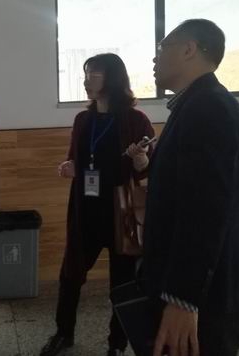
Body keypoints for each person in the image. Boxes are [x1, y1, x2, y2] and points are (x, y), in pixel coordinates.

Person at [143, 19, 239, 356]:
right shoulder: (196, 104)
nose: (155, 58)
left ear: (189, 50)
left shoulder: (209, 108)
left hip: (205, 295)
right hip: (196, 285)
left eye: (162, 48)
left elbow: (205, 212)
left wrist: (183, 298)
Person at [40, 53, 155, 356]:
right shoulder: (83, 120)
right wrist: (70, 167)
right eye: (86, 74)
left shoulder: (136, 120)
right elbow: (76, 159)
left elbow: (147, 171)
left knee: (122, 281)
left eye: (93, 74)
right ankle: (63, 333)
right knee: (70, 275)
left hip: (122, 212)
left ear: (112, 78)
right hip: (85, 210)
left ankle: (117, 344)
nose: (86, 81)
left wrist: (141, 161)